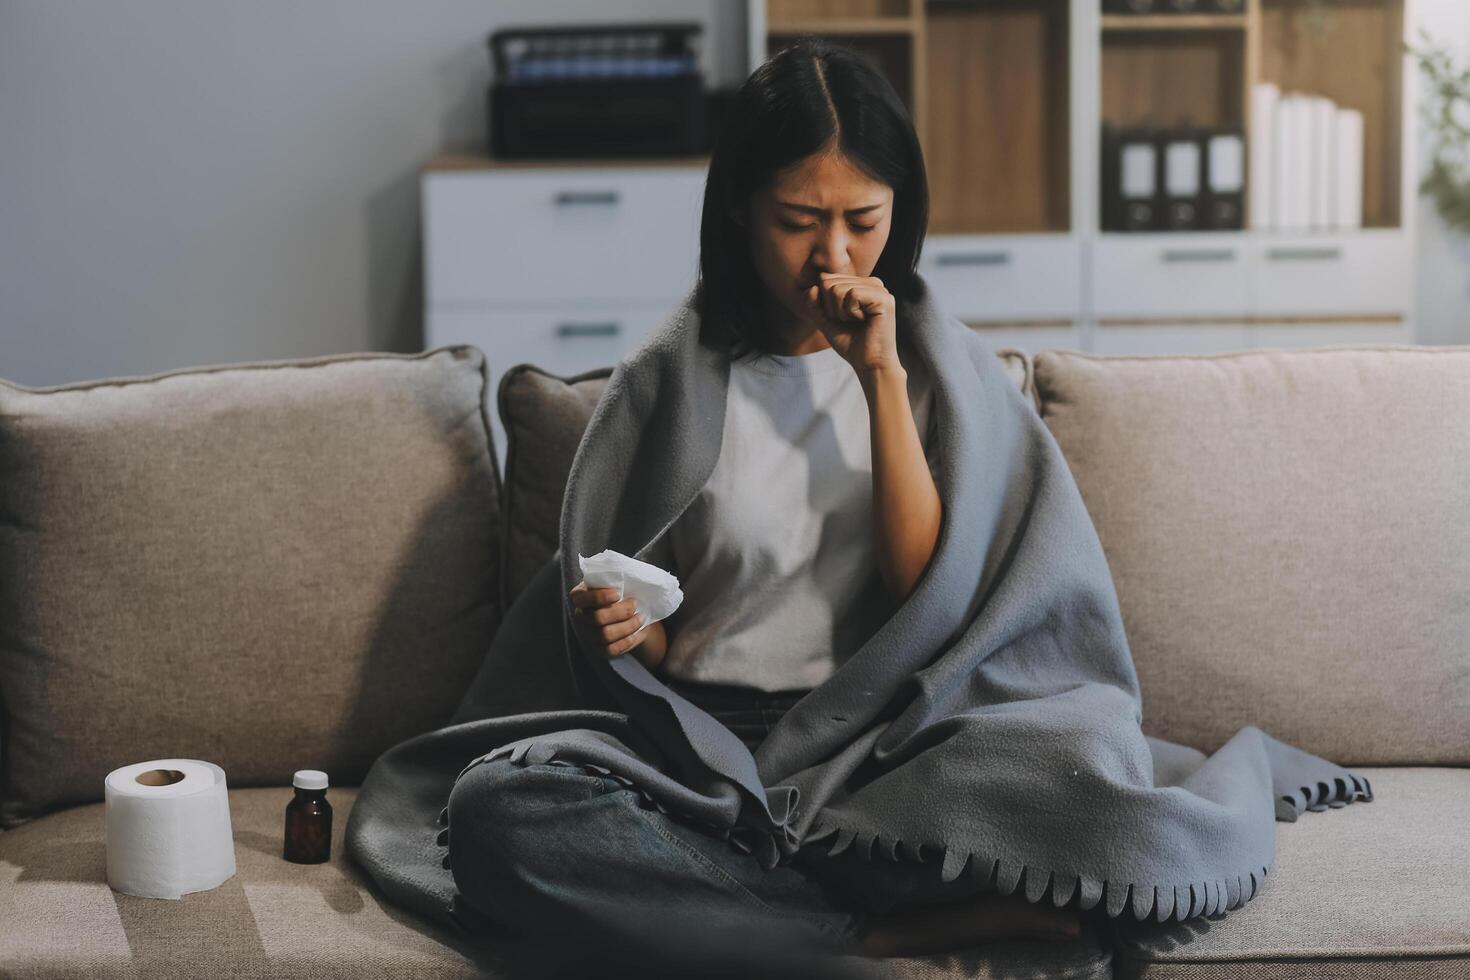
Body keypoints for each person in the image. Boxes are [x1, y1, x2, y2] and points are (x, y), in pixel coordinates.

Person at [445, 36, 1091, 971]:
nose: (832, 255)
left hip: (878, 748)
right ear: (740, 210)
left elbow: (930, 589)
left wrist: (876, 377)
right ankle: (852, 933)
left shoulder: (935, 377)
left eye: (863, 220)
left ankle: (742, 916)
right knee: (497, 813)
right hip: (705, 754)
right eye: (798, 220)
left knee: (1066, 795)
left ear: (900, 213)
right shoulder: (665, 388)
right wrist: (630, 631)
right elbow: (666, 649)